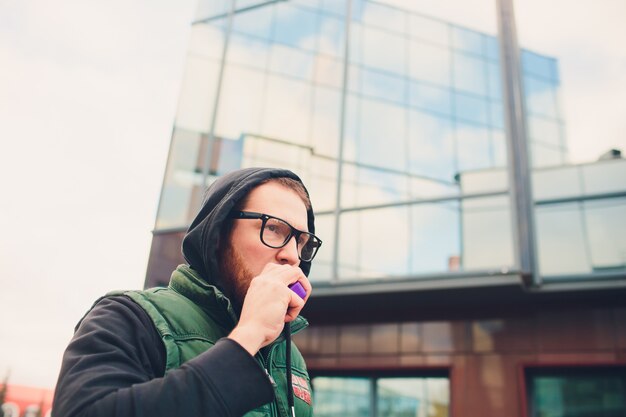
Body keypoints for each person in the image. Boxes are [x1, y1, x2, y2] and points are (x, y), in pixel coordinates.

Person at [52, 167, 322, 417]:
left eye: (301, 241)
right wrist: (248, 335)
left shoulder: (289, 356)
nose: (292, 256)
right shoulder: (129, 316)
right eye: (273, 228)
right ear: (217, 235)